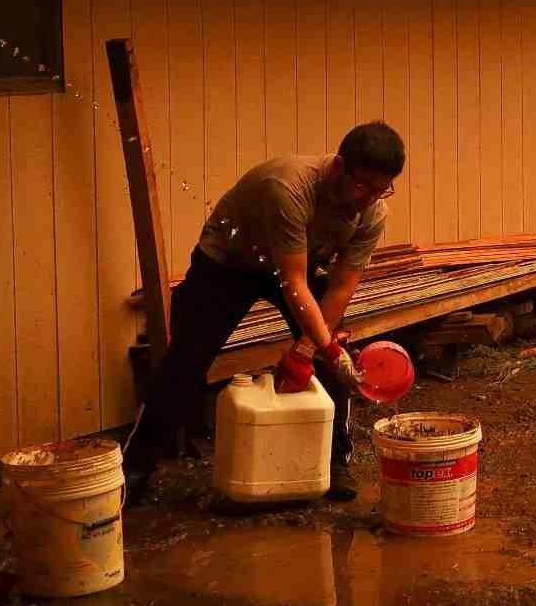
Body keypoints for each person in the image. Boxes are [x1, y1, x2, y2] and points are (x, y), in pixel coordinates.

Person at [125, 121, 405, 507]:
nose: (369, 198)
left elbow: (341, 286)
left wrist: (314, 349)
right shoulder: (288, 187)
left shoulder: (373, 212)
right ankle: (136, 466)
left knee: (335, 353)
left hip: (297, 265)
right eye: (362, 186)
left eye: (381, 189)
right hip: (229, 262)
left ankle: (335, 460)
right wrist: (317, 344)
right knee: (186, 361)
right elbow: (292, 281)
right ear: (339, 167)